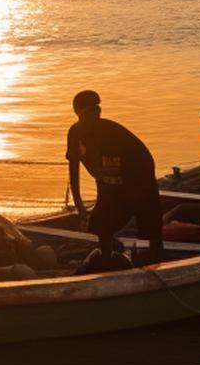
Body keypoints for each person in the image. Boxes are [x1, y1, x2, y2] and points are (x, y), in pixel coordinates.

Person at [67, 90, 163, 265]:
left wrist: (119, 198)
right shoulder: (74, 134)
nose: (94, 116)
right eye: (89, 113)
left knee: (148, 218)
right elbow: (74, 171)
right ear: (78, 113)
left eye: (97, 111)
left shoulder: (112, 135)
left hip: (138, 173)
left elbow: (110, 180)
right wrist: (80, 206)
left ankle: (154, 258)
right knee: (99, 223)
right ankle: (106, 257)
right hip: (110, 178)